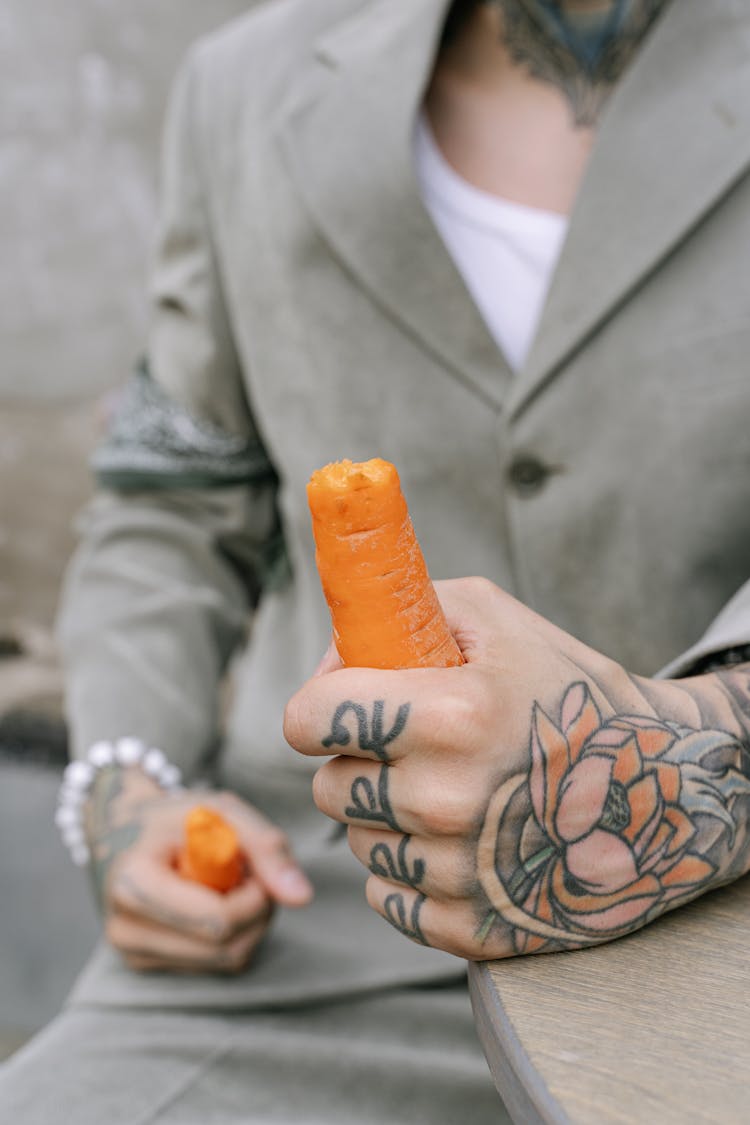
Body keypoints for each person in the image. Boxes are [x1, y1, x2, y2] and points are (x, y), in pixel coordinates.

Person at [2, 0, 749, 1120]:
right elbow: (169, 508)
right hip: (319, 934)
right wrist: (130, 793)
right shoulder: (242, 90)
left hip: (717, 920)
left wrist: (695, 750)